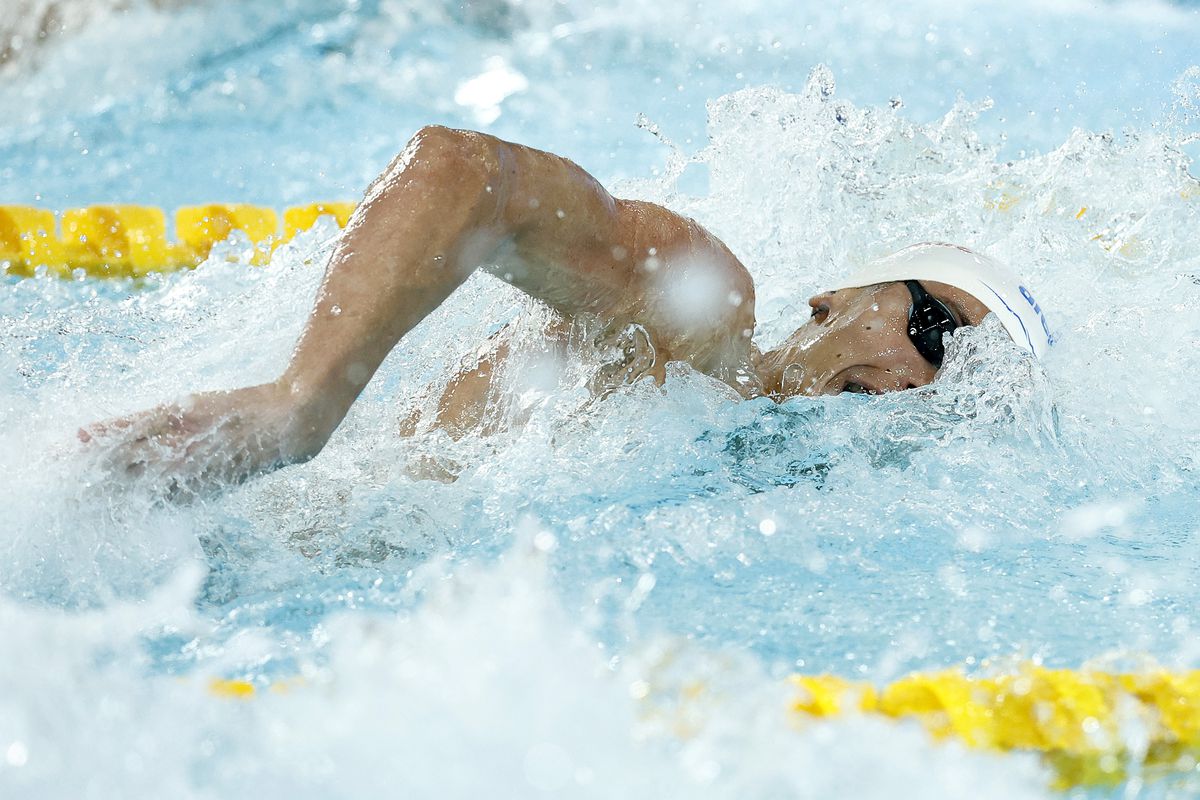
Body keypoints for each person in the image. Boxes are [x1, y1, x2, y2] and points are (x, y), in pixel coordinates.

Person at [78, 125, 1053, 495]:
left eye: (965, 381)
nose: (928, 377)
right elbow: (468, 172)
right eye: (935, 328)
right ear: (834, 298)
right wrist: (301, 406)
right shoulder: (701, 319)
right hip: (235, 504)